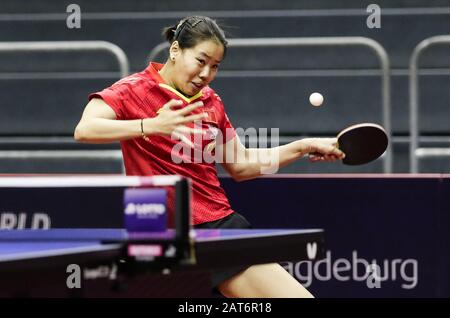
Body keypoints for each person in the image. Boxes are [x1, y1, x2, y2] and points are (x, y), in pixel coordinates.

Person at [74, 16, 345, 298]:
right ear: (175, 50)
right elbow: (85, 129)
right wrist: (151, 125)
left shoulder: (210, 101)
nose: (206, 73)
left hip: (213, 228)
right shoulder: (133, 90)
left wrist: (302, 147)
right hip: (156, 234)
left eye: (215, 66)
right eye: (201, 61)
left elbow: (241, 165)